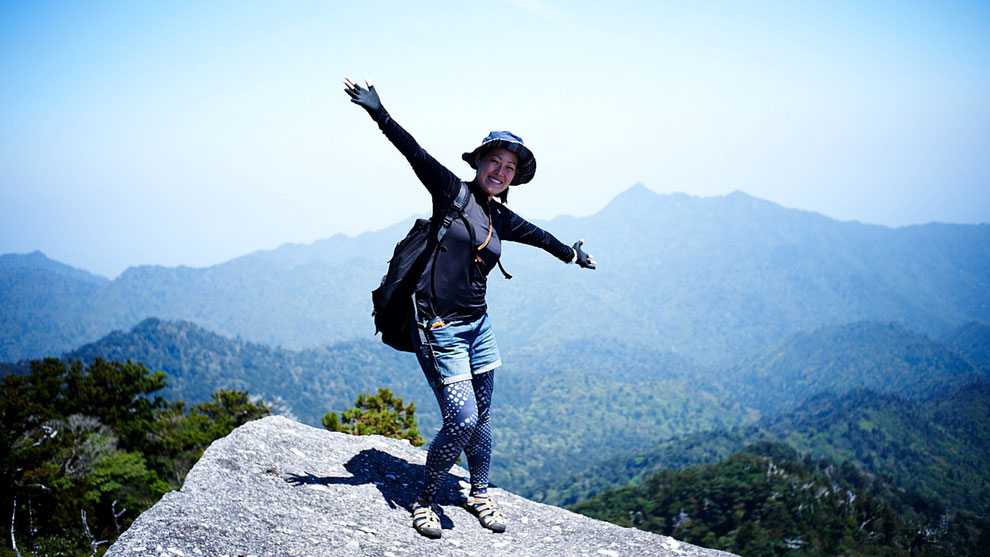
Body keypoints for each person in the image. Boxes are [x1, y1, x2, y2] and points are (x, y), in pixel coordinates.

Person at [344, 76, 596, 539]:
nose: (500, 171)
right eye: (494, 161)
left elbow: (540, 236)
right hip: (438, 327)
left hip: (479, 328)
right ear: (478, 162)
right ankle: (424, 502)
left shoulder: (500, 215)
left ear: (514, 177)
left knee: (482, 416)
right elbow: (414, 152)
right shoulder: (451, 193)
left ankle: (479, 493)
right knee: (461, 419)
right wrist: (378, 112)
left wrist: (572, 254)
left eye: (509, 167)